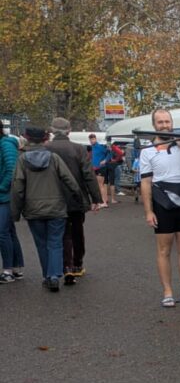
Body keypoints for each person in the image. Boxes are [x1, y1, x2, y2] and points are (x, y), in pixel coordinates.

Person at [138, 108, 180, 306]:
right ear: (154, 126)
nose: (164, 125)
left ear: (172, 123)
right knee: (163, 250)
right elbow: (145, 183)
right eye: (160, 122)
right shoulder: (147, 151)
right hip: (163, 204)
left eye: (167, 121)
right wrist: (148, 211)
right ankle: (168, 292)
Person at [9, 126, 83, 290]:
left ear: (27, 138)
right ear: (44, 139)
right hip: (56, 207)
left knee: (41, 244)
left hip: (33, 209)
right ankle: (54, 275)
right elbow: (69, 180)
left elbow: (18, 188)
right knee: (55, 243)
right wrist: (79, 199)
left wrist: (15, 212)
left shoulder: (22, 160)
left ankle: (46, 276)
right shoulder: (54, 158)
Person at [47, 116, 103, 283]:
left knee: (61, 234)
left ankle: (66, 266)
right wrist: (96, 198)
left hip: (53, 197)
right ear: (69, 130)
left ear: (52, 131)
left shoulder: (46, 149)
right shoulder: (79, 149)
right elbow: (89, 175)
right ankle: (77, 264)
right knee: (77, 231)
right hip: (76, 198)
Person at [0, 117, 26, 282]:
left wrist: (2, 187)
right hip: (5, 195)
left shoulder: (5, 144)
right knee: (8, 232)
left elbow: (11, 169)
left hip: (6, 195)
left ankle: (8, 270)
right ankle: (16, 268)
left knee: (2, 233)